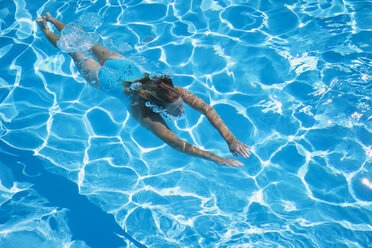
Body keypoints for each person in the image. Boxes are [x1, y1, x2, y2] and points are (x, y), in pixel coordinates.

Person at [36, 13, 250, 167]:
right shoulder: (146, 115)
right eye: (176, 110)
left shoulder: (171, 91)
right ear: (155, 105)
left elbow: (206, 108)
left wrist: (230, 139)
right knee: (74, 49)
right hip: (104, 79)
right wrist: (217, 158)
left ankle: (54, 19)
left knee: (86, 43)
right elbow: (178, 145)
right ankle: (46, 28)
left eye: (180, 105)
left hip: (123, 64)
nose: (182, 110)